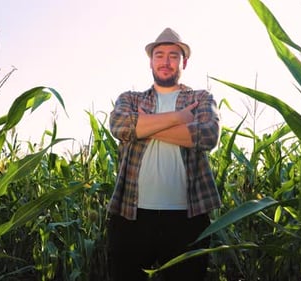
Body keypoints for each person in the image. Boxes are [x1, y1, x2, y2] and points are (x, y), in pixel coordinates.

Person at [107, 27, 222, 281]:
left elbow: (208, 135)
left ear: (184, 61)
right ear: (151, 61)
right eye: (159, 55)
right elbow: (119, 126)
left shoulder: (201, 98)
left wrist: (144, 127)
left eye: (173, 55)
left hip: (188, 217)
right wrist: (179, 119)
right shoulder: (131, 98)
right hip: (131, 215)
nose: (166, 62)